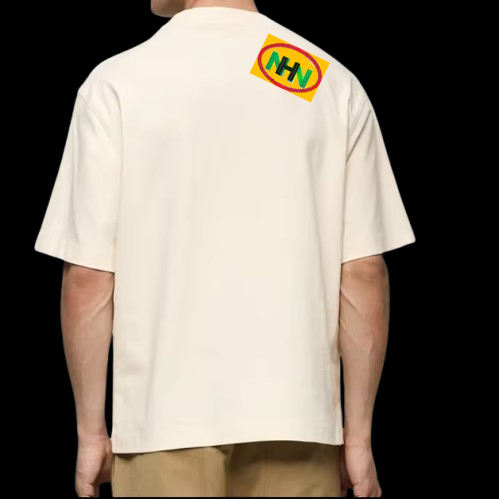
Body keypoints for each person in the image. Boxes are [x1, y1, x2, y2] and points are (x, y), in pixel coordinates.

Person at [33, 0, 416, 496]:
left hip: (161, 424)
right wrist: (358, 438)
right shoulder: (329, 82)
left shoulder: (116, 84)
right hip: (297, 420)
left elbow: (88, 277)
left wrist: (91, 433)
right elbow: (362, 272)